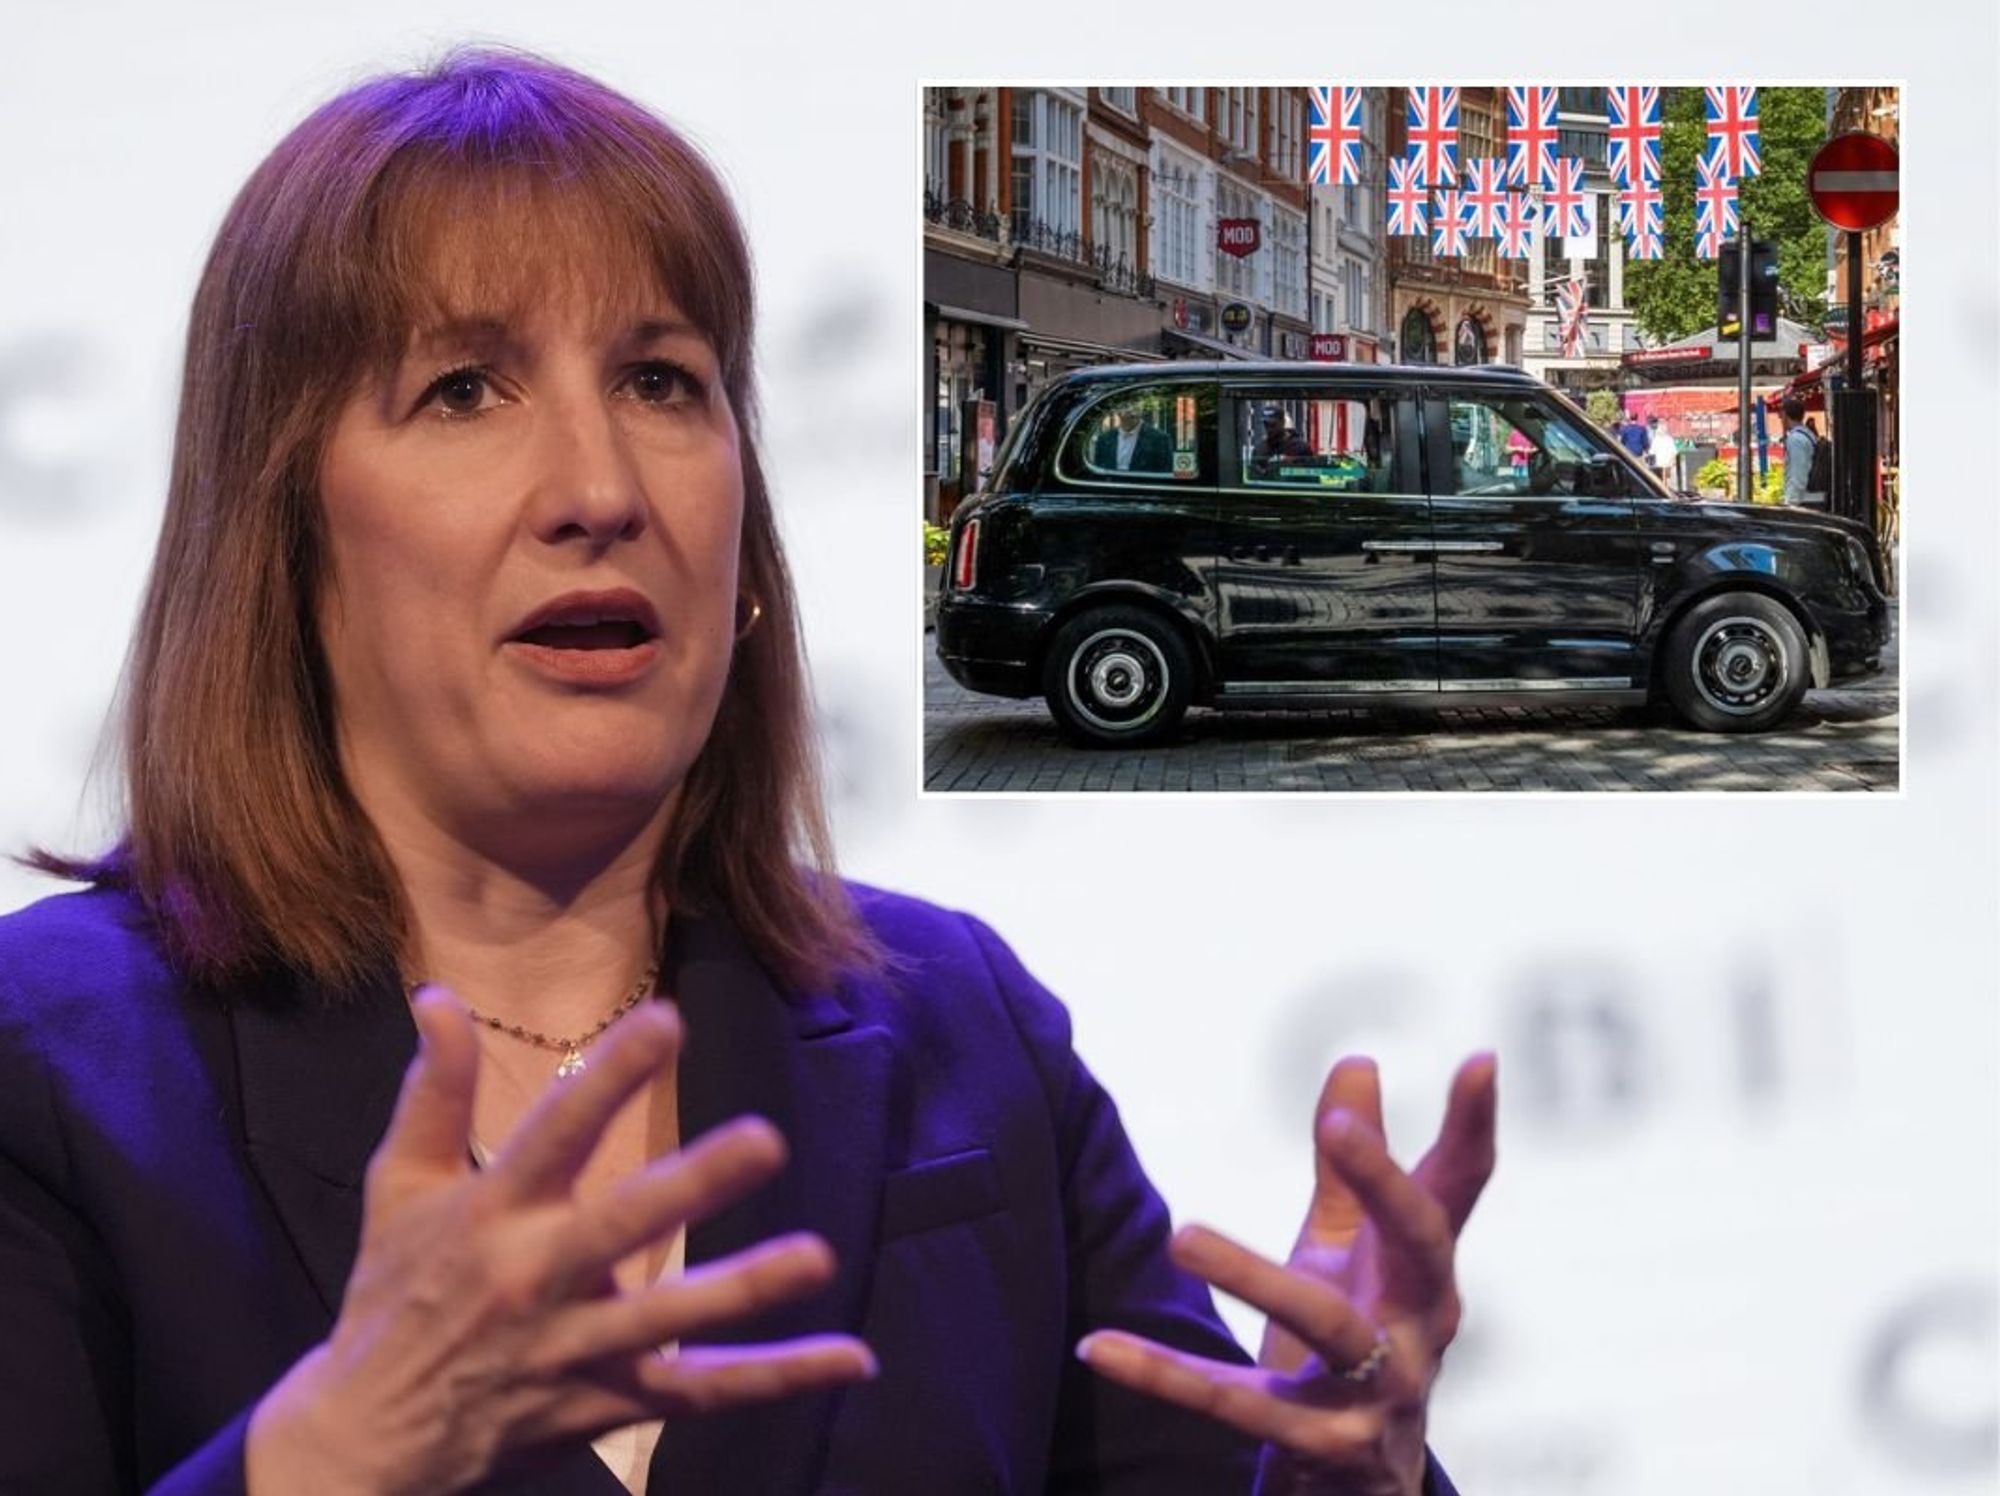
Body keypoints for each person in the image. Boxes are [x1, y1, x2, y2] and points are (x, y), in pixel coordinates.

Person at [0, 45, 1494, 1496]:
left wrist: (1339, 1484)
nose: (599, 489)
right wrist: (323, 1466)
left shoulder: (956, 1025)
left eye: (661, 379)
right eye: (464, 388)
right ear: (283, 528)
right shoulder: (49, 1067)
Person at [1091, 404, 1174, 473]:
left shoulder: (1160, 439)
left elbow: (1165, 471)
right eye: (1126, 406)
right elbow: (1098, 469)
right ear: (1117, 411)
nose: (1131, 410)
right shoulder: (1104, 439)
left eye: (1135, 405)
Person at [1779, 394, 1828, 507]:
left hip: (1804, 501)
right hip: (1813, 498)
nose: (1781, 420)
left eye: (1781, 417)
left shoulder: (1796, 439)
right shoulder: (1808, 435)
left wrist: (1791, 503)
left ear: (1786, 416)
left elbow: (1798, 474)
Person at [1647, 416, 1679, 488]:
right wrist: (1674, 459)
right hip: (1668, 460)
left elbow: (1652, 451)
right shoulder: (1669, 439)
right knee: (1667, 475)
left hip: (1660, 460)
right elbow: (1674, 451)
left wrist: (1649, 455)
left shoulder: (1656, 439)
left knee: (1662, 474)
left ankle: (1664, 487)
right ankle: (1666, 486)